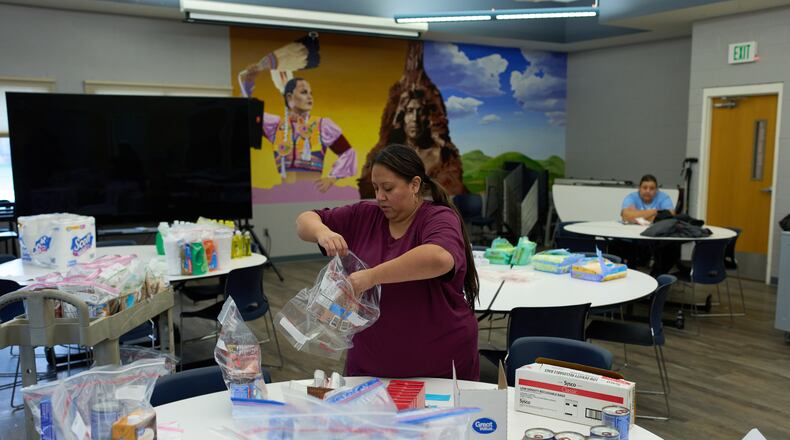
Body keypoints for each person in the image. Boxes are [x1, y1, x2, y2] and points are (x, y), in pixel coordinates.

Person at [296, 144, 480, 380]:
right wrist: (323, 232)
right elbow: (305, 220)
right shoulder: (364, 215)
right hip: (371, 364)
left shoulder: (439, 217)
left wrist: (370, 277)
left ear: (415, 185)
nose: (380, 197)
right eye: (375, 188)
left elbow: (438, 258)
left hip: (438, 365)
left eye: (388, 188)